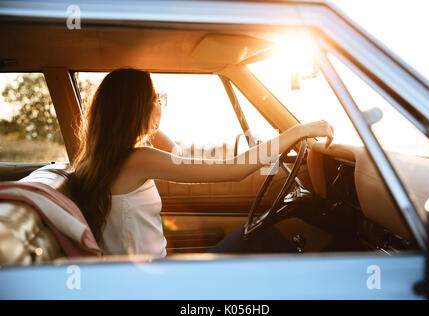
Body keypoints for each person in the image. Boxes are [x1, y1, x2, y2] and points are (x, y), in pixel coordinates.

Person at [56, 68, 334, 258]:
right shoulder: (139, 160)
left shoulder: (103, 162)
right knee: (264, 238)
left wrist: (150, 116)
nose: (161, 105)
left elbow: (177, 155)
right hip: (156, 287)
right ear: (138, 109)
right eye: (157, 99)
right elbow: (235, 170)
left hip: (145, 280)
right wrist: (298, 131)